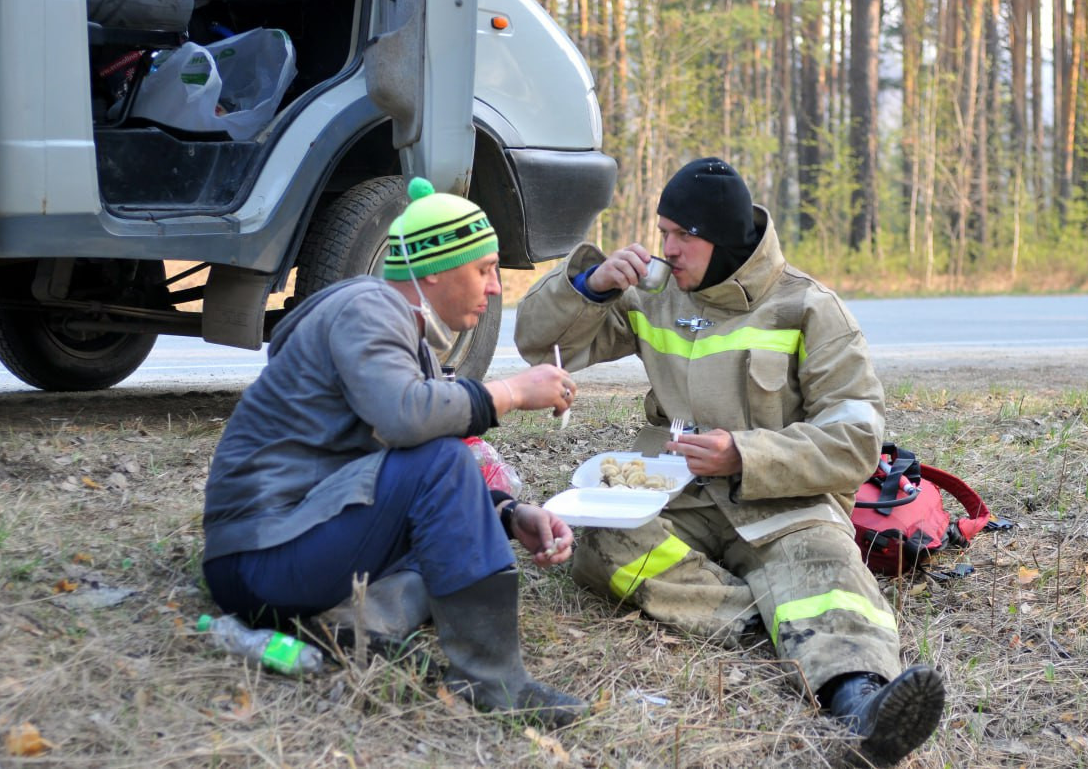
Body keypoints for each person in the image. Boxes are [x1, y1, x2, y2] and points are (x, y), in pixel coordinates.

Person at [515, 157, 945, 764]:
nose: (666, 249)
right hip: (674, 491)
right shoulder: (653, 292)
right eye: (662, 231)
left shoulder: (810, 308)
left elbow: (855, 440)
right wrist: (590, 286)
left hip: (781, 497)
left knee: (826, 573)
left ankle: (860, 706)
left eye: (682, 235)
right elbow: (539, 342)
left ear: (724, 240)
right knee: (604, 546)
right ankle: (770, 623)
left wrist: (743, 453)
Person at [202, 177, 587, 727]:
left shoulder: (403, 336)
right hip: (261, 555)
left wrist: (507, 514)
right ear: (433, 270)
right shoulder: (370, 307)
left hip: (288, 544)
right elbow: (406, 419)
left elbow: (414, 472)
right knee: (447, 465)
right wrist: (511, 392)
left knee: (449, 533)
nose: (496, 287)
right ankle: (493, 681)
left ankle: (348, 624)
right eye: (484, 269)